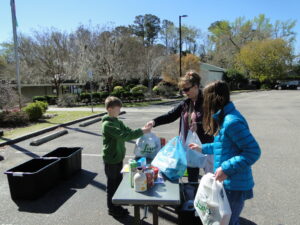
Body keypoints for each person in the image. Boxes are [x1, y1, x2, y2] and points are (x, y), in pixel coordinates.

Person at [188, 80, 261, 225]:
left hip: (234, 184)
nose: (204, 104)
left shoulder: (231, 122)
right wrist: (201, 148)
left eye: (206, 99)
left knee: (228, 222)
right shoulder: (224, 118)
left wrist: (226, 168)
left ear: (214, 99)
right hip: (227, 182)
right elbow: (223, 146)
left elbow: (253, 151)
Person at [147, 71, 213, 182]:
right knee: (192, 176)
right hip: (190, 146)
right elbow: (170, 115)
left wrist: (200, 125)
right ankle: (191, 195)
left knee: (211, 178)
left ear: (196, 86)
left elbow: (215, 122)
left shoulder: (208, 102)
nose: (185, 92)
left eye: (187, 89)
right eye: (183, 90)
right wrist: (154, 122)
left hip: (206, 146)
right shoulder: (186, 103)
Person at [102, 96, 152, 218]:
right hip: (111, 159)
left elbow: (128, 131)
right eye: (117, 108)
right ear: (109, 109)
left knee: (118, 182)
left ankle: (117, 206)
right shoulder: (107, 124)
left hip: (118, 157)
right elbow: (123, 136)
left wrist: (142, 130)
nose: (119, 110)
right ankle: (112, 209)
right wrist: (142, 131)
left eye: (120, 108)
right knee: (112, 185)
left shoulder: (118, 121)